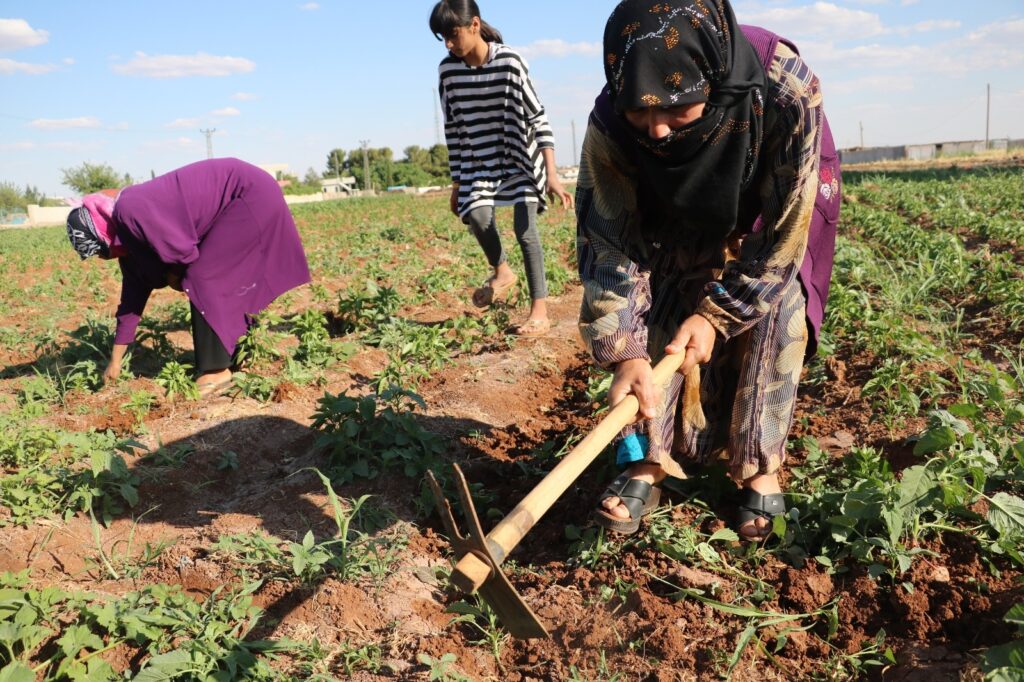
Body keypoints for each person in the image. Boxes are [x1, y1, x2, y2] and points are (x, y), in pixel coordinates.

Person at [577, 0, 841, 540]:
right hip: (671, 210)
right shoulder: (611, 121)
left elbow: (782, 235)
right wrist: (625, 351)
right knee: (665, 292)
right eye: (639, 112)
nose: (656, 130)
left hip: (774, 202)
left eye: (676, 109)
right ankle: (647, 459)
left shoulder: (784, 88)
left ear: (712, 80)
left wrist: (717, 317)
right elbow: (608, 241)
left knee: (778, 301)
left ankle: (760, 466)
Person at [66, 158, 311, 396]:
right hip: (242, 196)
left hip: (248, 193)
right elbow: (131, 302)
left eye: (100, 250)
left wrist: (175, 277)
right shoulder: (128, 242)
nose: (103, 257)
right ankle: (238, 353)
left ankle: (216, 370)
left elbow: (183, 254)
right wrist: (115, 362)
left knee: (203, 276)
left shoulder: (130, 210)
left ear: (103, 231)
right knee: (206, 276)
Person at [431, 0, 574, 336]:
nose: (449, 44)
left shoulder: (510, 62)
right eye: (442, 38)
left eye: (453, 35)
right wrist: (457, 185)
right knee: (478, 217)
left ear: (474, 25)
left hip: (520, 159)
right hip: (478, 163)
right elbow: (453, 130)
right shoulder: (448, 72)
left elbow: (538, 118)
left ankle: (539, 311)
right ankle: (503, 272)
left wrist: (552, 175)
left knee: (525, 231)